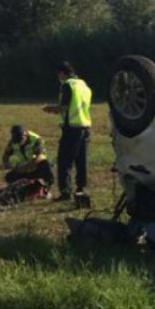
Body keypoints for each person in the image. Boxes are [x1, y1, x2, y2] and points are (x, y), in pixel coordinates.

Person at [43, 62, 92, 203]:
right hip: (85, 126)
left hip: (71, 128)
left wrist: (49, 109)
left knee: (64, 161)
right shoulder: (83, 85)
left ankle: (65, 192)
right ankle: (81, 189)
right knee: (81, 160)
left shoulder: (68, 85)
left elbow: (63, 107)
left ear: (61, 73)